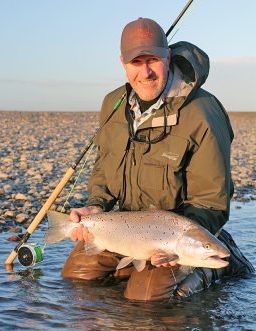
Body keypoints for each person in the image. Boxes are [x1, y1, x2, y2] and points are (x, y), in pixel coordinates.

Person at [61, 18, 254, 301]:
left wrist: (181, 244)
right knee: (77, 277)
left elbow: (211, 201)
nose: (146, 72)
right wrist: (95, 206)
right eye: (136, 62)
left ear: (168, 57)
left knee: (147, 298)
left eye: (153, 60)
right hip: (128, 230)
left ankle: (214, 265)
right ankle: (132, 269)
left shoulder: (203, 113)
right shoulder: (113, 104)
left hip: (179, 233)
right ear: (123, 63)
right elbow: (104, 173)